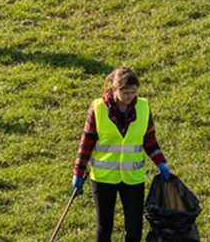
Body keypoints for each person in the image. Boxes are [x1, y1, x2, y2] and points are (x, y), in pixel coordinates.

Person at [72, 67, 171, 242]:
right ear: (114, 89)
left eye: (134, 92)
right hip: (103, 178)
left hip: (133, 178)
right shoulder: (98, 108)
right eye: (126, 92)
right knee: (104, 227)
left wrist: (161, 163)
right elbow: (86, 143)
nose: (130, 96)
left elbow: (149, 140)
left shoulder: (143, 107)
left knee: (134, 229)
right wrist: (78, 173)